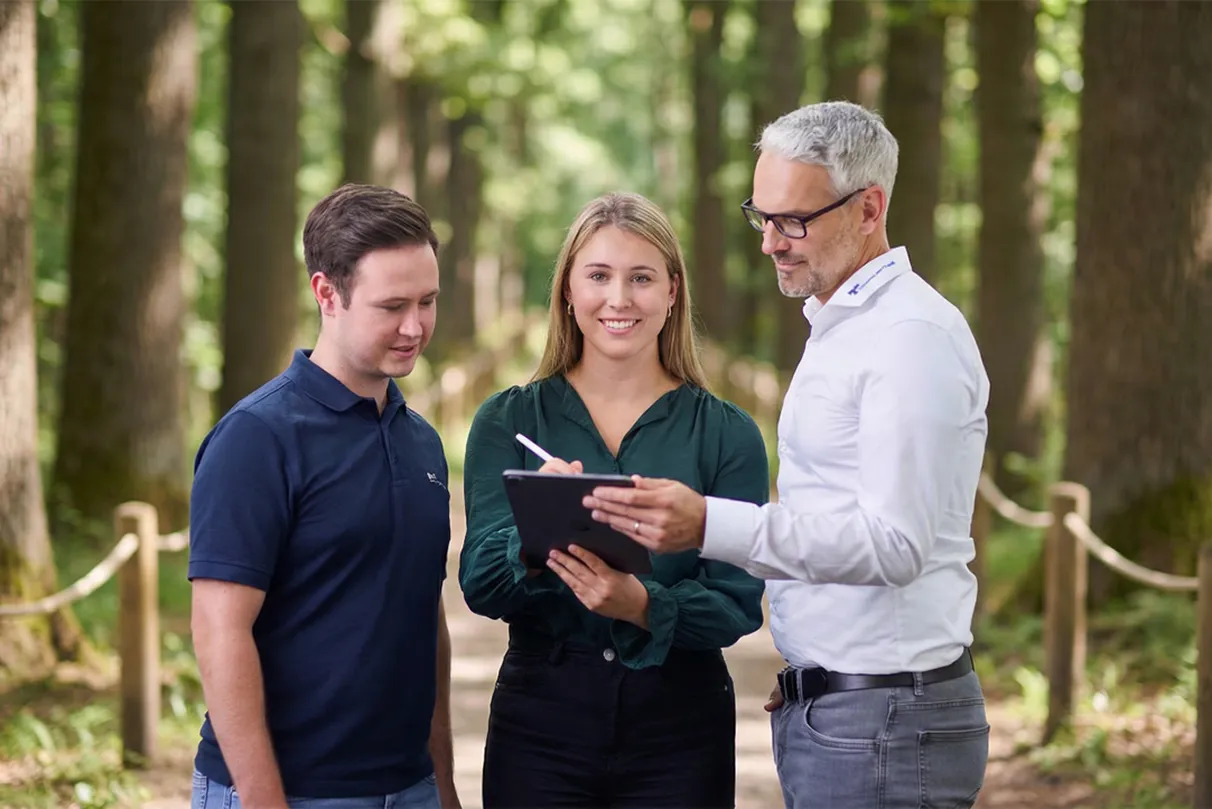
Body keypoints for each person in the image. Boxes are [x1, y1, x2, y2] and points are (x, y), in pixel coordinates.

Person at [584, 102, 991, 809]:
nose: (771, 241)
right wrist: (812, 670)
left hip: (885, 723)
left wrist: (710, 524)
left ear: (869, 208)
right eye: (762, 216)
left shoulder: (908, 337)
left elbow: (895, 544)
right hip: (849, 711)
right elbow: (835, 516)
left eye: (793, 220)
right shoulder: (844, 326)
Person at [458, 191, 769, 808]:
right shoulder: (509, 419)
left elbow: (738, 605)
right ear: (568, 292)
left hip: (681, 724)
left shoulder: (728, 433)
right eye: (598, 275)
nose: (619, 299)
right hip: (540, 722)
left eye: (642, 278)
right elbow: (478, 584)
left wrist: (642, 606)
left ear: (673, 291)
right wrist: (535, 529)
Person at [188, 184, 459, 809]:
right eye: (392, 306)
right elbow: (219, 630)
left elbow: (425, 615)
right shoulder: (256, 438)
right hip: (288, 792)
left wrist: (442, 782)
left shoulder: (421, 440)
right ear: (326, 294)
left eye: (428, 301)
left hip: (408, 788)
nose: (415, 327)